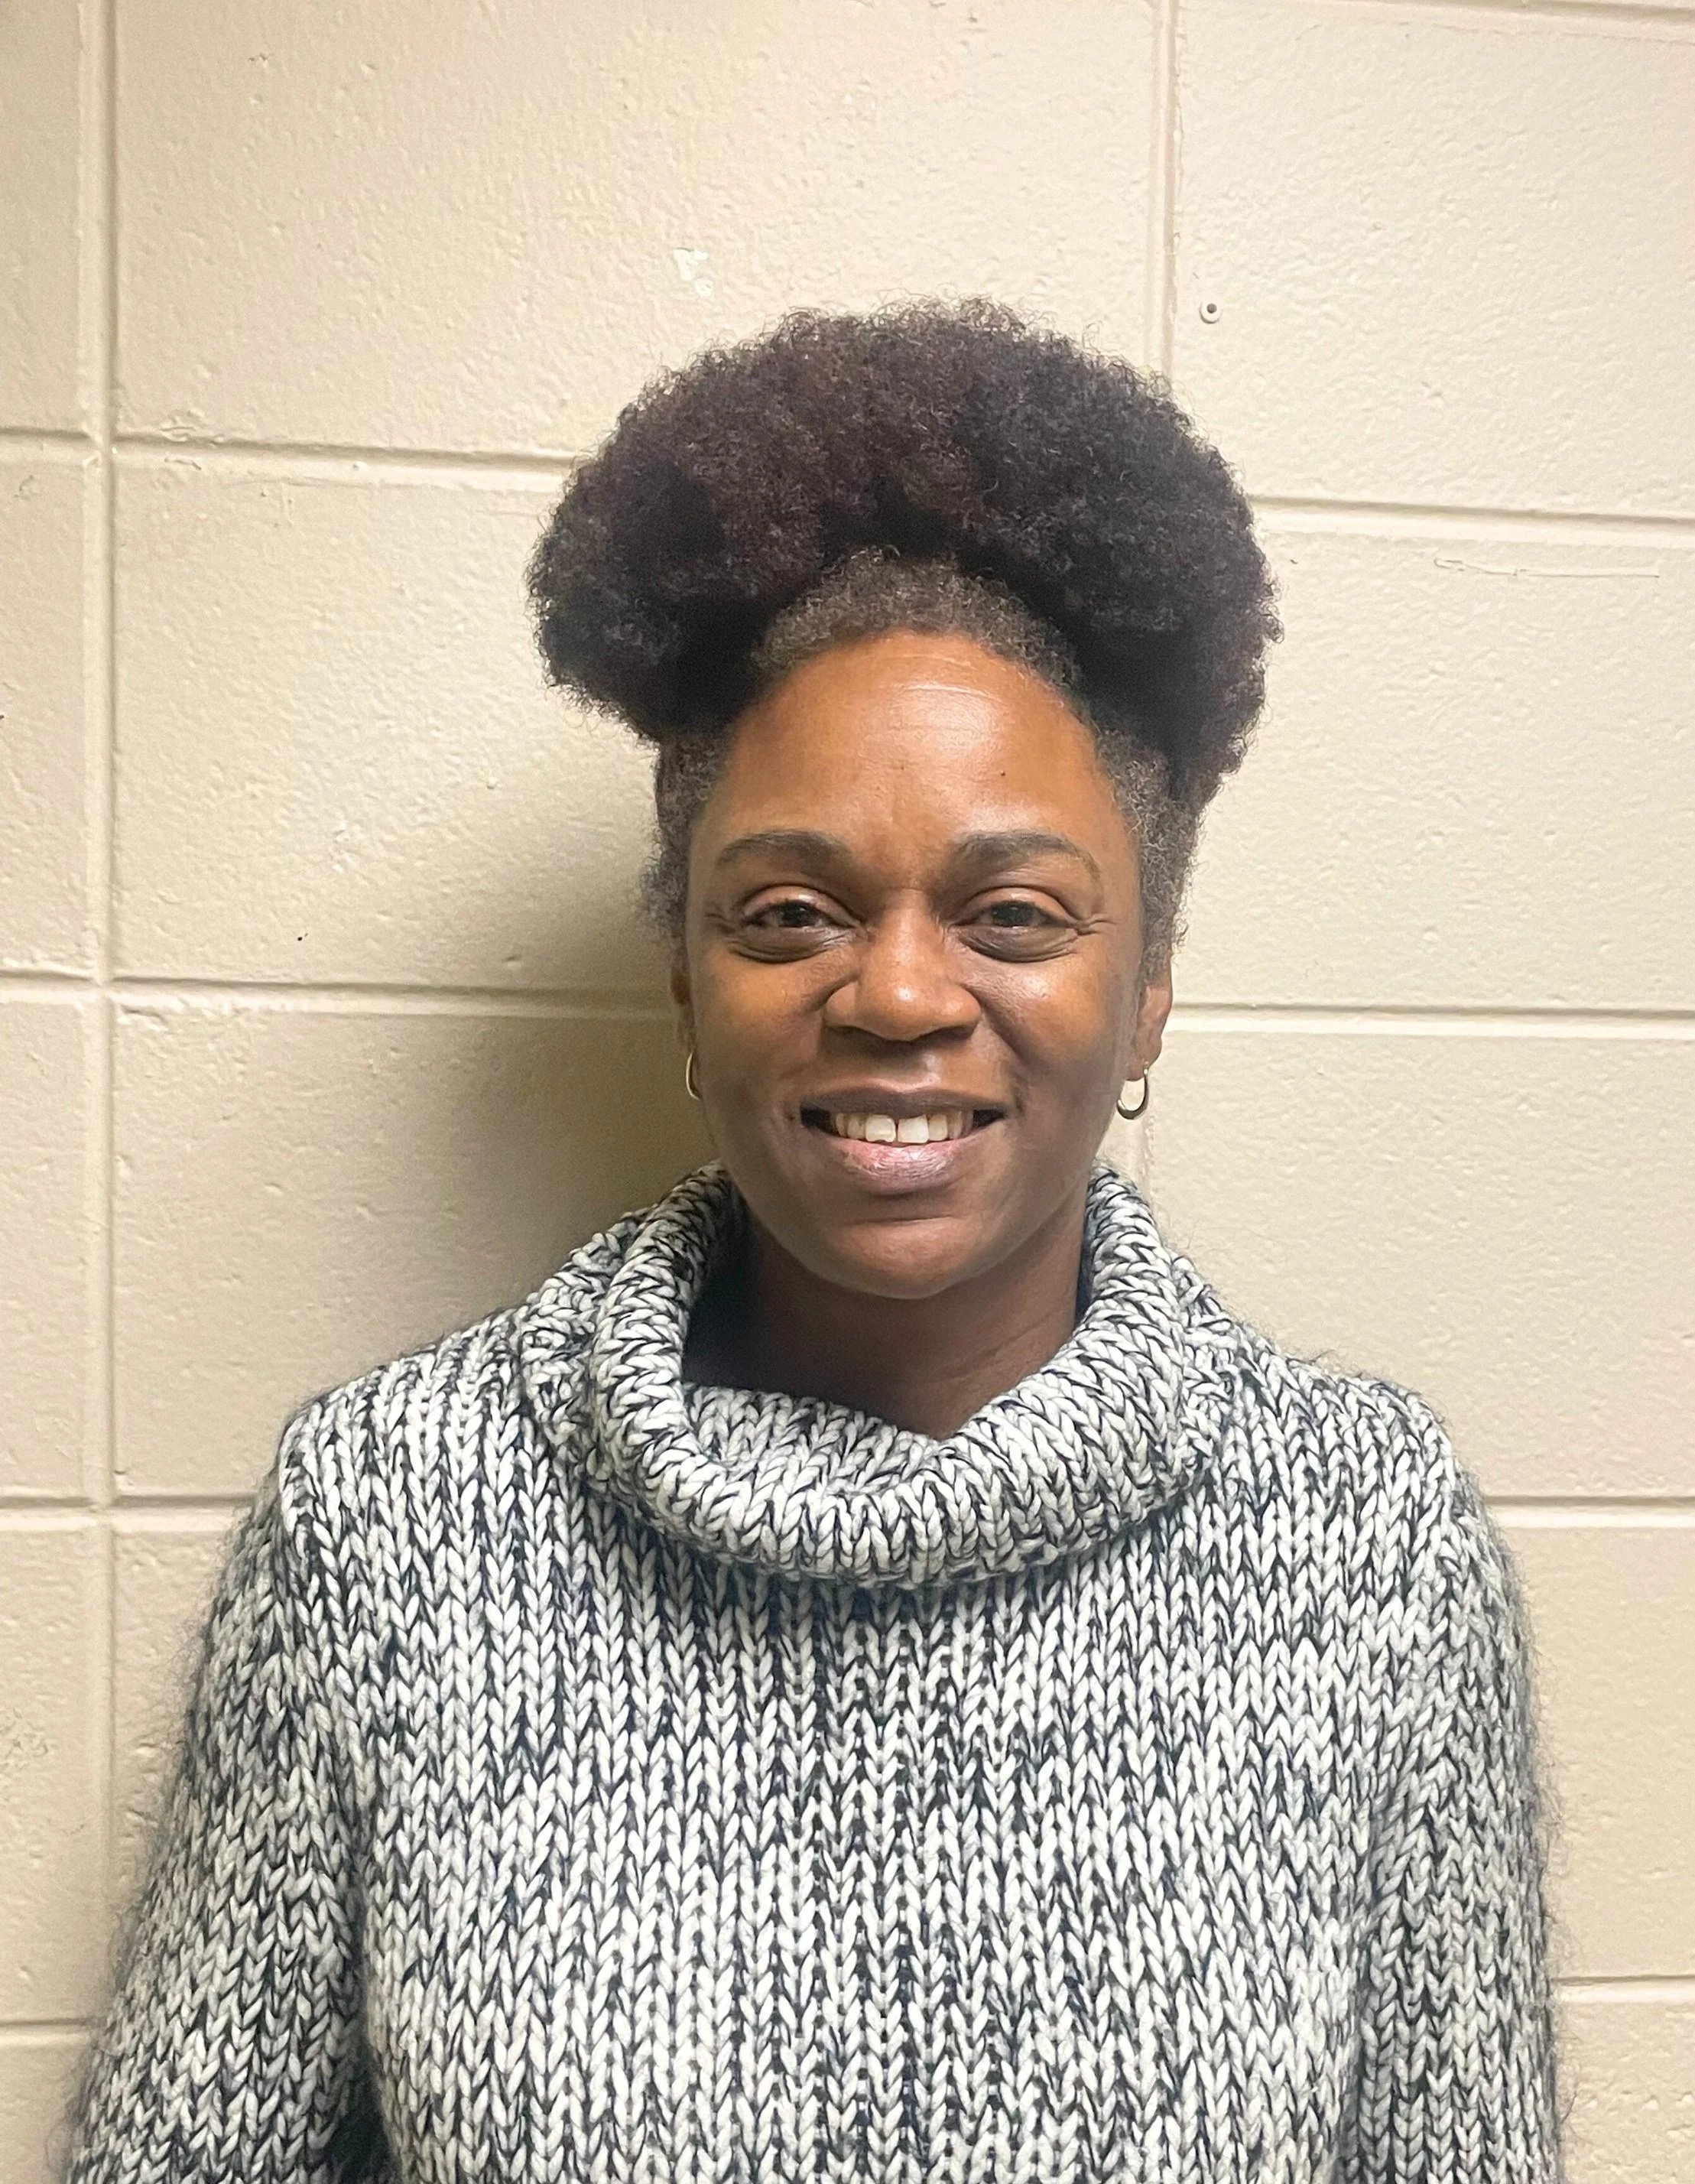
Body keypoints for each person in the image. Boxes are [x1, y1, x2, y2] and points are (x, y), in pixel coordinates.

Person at [63, 301, 1563, 2182]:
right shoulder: (383, 1525)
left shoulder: (1370, 1547)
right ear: (686, 987)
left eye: (1013, 914)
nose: (900, 994)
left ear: (1147, 993)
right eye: (788, 913)